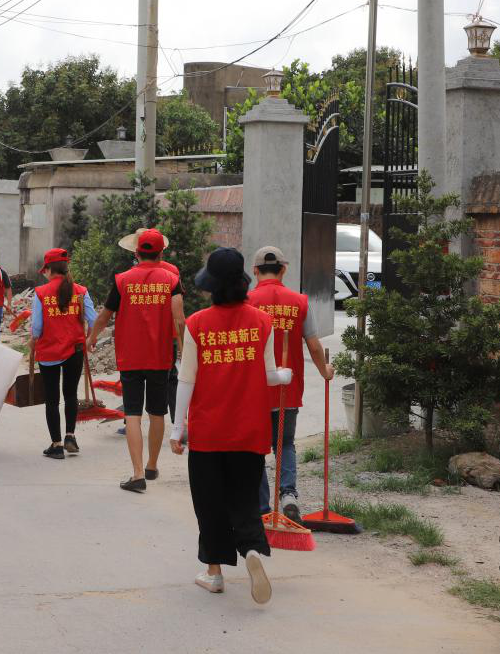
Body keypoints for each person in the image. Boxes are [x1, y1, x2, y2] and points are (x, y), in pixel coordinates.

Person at [169, 247, 291, 603]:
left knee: (210, 504)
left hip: (208, 433)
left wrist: (178, 429)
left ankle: (214, 573)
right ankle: (251, 549)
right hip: (249, 431)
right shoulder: (262, 322)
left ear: (212, 286)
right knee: (245, 498)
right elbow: (269, 375)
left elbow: (186, 380)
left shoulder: (197, 324)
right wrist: (284, 375)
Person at [86, 228, 185, 493]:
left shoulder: (122, 280)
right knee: (157, 412)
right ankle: (152, 466)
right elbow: (179, 318)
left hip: (130, 356)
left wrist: (92, 337)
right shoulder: (172, 280)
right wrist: (183, 349)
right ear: (161, 253)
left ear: (137, 252)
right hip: (160, 356)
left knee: (132, 413)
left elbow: (105, 315)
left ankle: (138, 473)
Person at [247, 246, 333, 524]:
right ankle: (288, 496)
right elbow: (314, 346)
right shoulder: (299, 302)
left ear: (255, 271)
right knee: (284, 443)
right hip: (288, 390)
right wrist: (325, 371)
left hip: (254, 389)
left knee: (256, 448)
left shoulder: (247, 302)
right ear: (284, 269)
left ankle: (262, 506)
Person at [31, 249, 96, 459]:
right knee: (70, 394)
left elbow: (37, 328)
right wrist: (89, 339)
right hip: (75, 350)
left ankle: (57, 445)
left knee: (52, 399)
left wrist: (33, 339)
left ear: (49, 269)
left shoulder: (40, 293)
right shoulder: (81, 291)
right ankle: (70, 436)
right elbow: (94, 319)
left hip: (49, 351)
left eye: (45, 270)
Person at [118, 227, 184, 426]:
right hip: (166, 334)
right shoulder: (172, 271)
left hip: (138, 337)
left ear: (137, 251)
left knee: (134, 378)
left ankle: (131, 419)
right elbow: (178, 309)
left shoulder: (129, 276)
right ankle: (177, 421)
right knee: (170, 377)